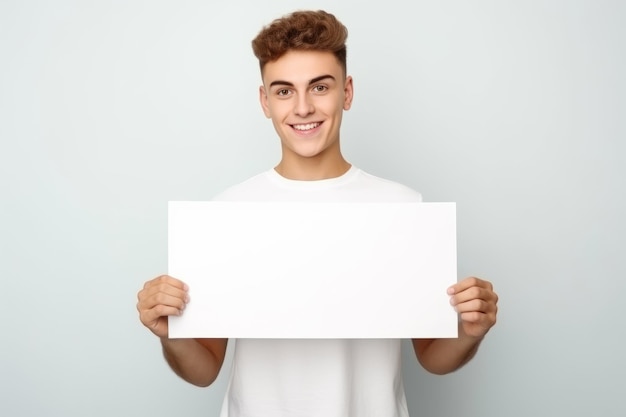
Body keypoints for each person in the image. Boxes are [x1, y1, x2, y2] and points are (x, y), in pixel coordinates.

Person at [136, 9, 498, 417]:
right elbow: (205, 370)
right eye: (284, 91)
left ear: (347, 92)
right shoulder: (228, 213)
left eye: (320, 87)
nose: (303, 107)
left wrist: (471, 332)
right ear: (265, 101)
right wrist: (171, 335)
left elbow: (432, 357)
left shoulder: (402, 207)